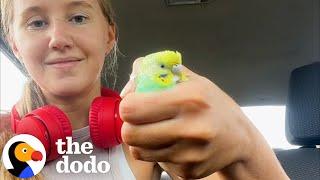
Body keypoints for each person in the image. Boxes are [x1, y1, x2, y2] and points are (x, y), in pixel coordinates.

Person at [0, 0, 289, 179]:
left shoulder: (151, 136)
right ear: (14, 45)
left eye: (78, 17)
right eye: (36, 23)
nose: (58, 39)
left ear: (109, 35)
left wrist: (246, 144)